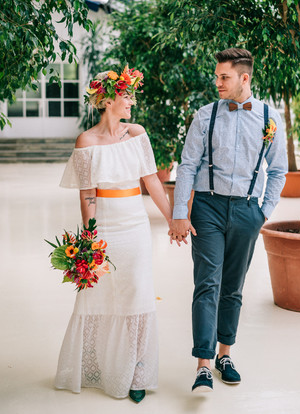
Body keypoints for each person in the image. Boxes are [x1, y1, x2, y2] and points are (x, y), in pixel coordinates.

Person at [168, 48, 288, 393]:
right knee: (207, 282)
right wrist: (180, 213)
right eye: (217, 76)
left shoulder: (269, 116)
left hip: (247, 210)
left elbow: (278, 170)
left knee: (233, 287)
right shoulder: (205, 116)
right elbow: (187, 165)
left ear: (244, 78)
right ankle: (203, 364)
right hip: (207, 208)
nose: (217, 82)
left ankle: (225, 355)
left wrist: (263, 212)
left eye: (224, 77)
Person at [55, 66, 172, 403]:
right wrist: (89, 239)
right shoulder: (86, 141)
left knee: (137, 292)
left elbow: (152, 181)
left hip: (134, 224)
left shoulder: (137, 134)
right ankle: (100, 367)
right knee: (99, 296)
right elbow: (86, 194)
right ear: (107, 100)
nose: (131, 103)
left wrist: (171, 219)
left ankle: (136, 372)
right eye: (126, 96)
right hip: (104, 227)